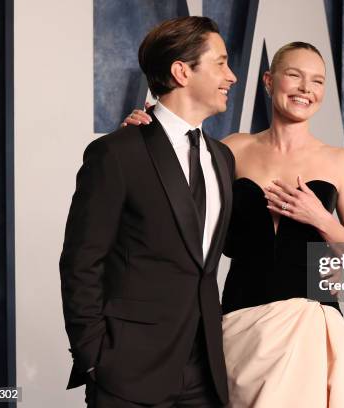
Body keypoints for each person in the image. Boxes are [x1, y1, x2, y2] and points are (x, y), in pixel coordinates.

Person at [124, 42, 344, 407]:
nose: (306, 88)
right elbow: (171, 196)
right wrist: (142, 136)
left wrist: (319, 218)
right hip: (239, 323)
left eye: (317, 81)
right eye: (295, 75)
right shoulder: (232, 149)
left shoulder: (340, 161)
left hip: (309, 325)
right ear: (270, 82)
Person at [60, 16, 237, 407]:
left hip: (205, 374)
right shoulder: (117, 152)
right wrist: (94, 358)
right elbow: (81, 262)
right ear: (181, 71)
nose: (233, 76)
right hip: (127, 373)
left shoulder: (223, 158)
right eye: (221, 63)